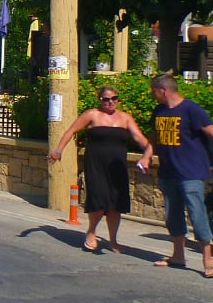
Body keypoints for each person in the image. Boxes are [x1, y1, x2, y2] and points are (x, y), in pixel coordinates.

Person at [49, 86, 153, 252]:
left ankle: (113, 240)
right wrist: (58, 150)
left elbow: (140, 138)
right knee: (98, 199)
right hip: (96, 164)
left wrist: (148, 153)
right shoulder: (92, 115)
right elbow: (72, 131)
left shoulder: (125, 118)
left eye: (114, 98)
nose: (111, 102)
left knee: (115, 204)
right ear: (100, 100)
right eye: (106, 99)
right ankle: (91, 231)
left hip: (117, 167)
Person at [137, 74, 213, 277]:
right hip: (168, 172)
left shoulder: (191, 110)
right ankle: (178, 255)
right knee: (173, 215)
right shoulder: (160, 111)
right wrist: (146, 156)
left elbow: (210, 130)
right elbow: (155, 137)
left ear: (163, 90)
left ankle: (208, 259)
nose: (152, 95)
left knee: (197, 214)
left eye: (154, 91)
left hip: (191, 173)